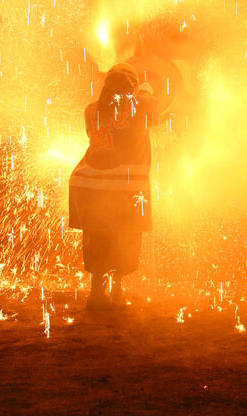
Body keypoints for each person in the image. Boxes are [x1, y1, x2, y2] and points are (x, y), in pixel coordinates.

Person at [68, 63, 159, 310]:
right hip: (126, 189)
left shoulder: (92, 110)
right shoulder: (140, 107)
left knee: (98, 238)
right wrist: (145, 90)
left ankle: (98, 293)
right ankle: (118, 291)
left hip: (89, 185)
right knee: (125, 238)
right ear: (132, 87)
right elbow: (151, 107)